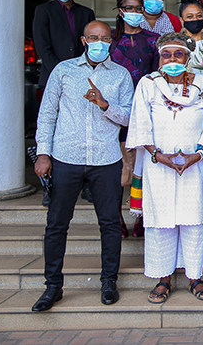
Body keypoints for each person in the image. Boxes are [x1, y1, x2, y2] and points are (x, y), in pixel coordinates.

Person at [32, 20, 134, 312]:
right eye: (93, 37)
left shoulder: (120, 75)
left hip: (105, 159)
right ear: (83, 39)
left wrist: (104, 105)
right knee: (56, 225)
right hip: (66, 157)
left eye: (104, 37)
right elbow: (47, 114)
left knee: (111, 224)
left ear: (111, 40)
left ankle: (108, 282)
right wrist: (43, 154)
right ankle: (53, 286)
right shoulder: (63, 71)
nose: (99, 42)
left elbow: (129, 117)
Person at [126, 32, 203, 303]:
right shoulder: (148, 84)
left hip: (196, 165)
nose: (173, 59)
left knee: (195, 219)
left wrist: (199, 154)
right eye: (167, 54)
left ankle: (194, 276)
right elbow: (140, 121)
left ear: (188, 58)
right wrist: (157, 154)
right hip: (158, 164)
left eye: (179, 54)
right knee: (160, 221)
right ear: (159, 57)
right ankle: (162, 277)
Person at [109, 0, 160, 238]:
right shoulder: (109, 41)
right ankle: (116, 217)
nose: (135, 13)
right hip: (113, 111)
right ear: (119, 10)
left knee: (143, 166)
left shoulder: (154, 40)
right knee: (118, 168)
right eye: (129, 8)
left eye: (139, 8)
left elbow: (157, 77)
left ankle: (141, 215)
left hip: (146, 110)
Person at [33, 0, 96, 87]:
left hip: (81, 73)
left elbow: (90, 43)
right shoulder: (44, 11)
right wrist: (60, 70)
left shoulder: (86, 13)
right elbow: (42, 45)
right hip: (53, 73)